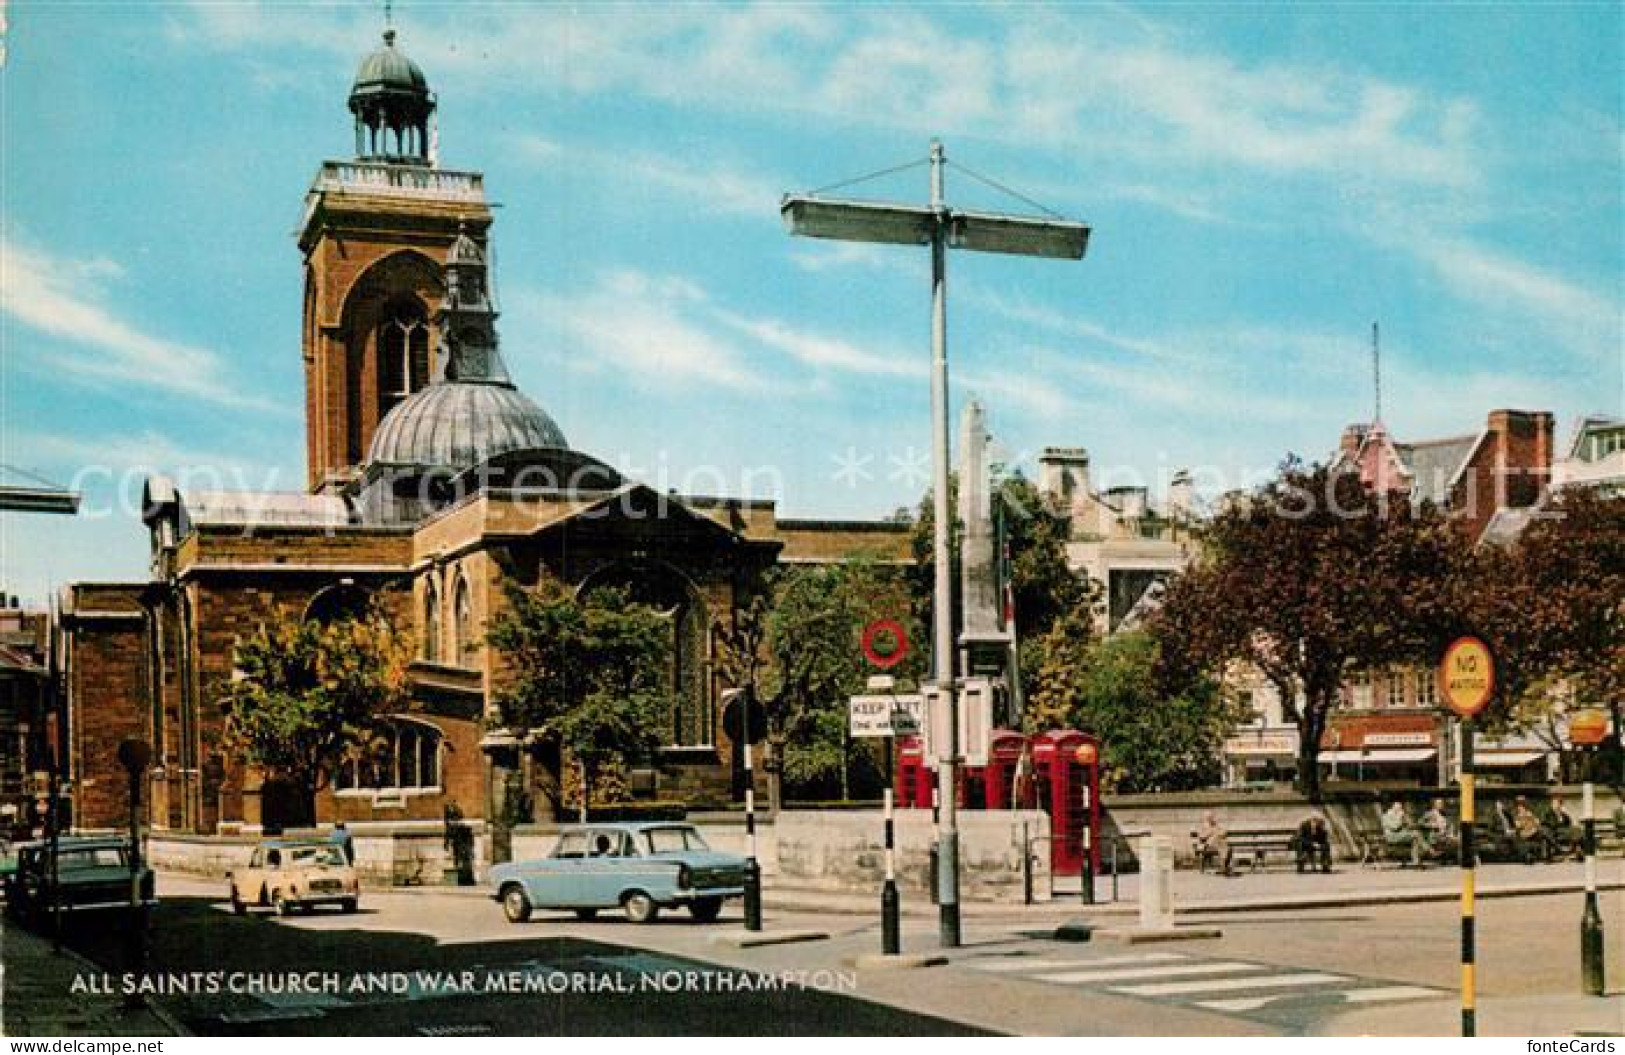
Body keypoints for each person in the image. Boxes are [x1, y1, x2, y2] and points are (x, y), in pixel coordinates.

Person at [1381, 800, 1423, 866]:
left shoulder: (1398, 816)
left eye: (1400, 808)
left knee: (1415, 837)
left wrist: (1407, 820)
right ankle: (1427, 851)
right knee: (1416, 835)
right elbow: (1395, 827)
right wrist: (1400, 817)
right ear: (1393, 807)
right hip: (1391, 837)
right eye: (1398, 808)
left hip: (1398, 836)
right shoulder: (1386, 816)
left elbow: (1409, 825)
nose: (1399, 810)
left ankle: (1416, 860)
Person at [1194, 810, 1234, 876]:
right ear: (1205, 817)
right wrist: (1210, 832)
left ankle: (1224, 868)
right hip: (1208, 846)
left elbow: (1223, 832)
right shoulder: (1202, 826)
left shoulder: (1215, 825)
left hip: (1217, 844)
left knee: (1227, 848)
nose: (1210, 818)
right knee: (1224, 847)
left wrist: (1219, 833)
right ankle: (1224, 868)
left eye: (1211, 817)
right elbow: (1202, 837)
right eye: (1208, 817)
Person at [1512, 797, 1548, 863]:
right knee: (1542, 833)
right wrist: (1526, 820)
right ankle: (1536, 856)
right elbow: (1518, 826)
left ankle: (1544, 856)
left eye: (1522, 807)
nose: (1521, 808)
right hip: (1524, 834)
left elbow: (1537, 822)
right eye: (1519, 807)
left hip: (1533, 832)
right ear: (1517, 808)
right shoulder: (1517, 816)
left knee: (1544, 833)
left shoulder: (1529, 813)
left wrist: (1532, 818)